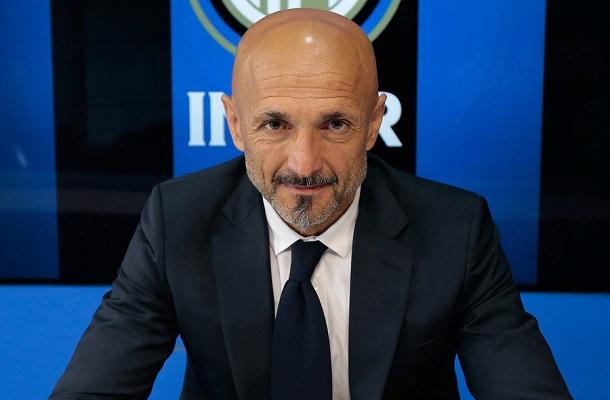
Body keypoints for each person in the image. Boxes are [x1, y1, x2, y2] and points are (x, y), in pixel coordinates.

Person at [50, 8, 571, 400]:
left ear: (374, 123)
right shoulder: (177, 218)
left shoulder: (456, 229)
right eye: (275, 124)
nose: (304, 164)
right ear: (235, 125)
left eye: (335, 124)